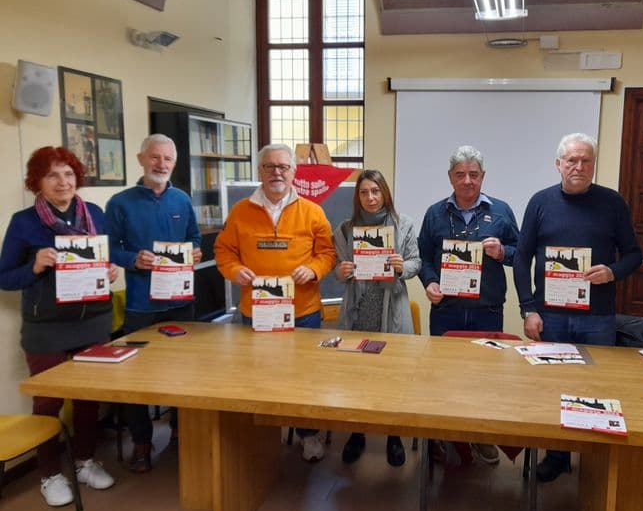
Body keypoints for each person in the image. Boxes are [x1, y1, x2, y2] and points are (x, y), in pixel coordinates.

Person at [513, 132, 642, 482]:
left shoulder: (613, 203)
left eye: (586, 161)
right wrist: (529, 309)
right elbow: (522, 257)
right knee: (554, 386)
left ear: (593, 165)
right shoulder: (540, 202)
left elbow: (634, 255)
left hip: (597, 318)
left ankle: (595, 461)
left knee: (596, 389)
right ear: (558, 164)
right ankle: (557, 455)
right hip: (550, 315)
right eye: (572, 160)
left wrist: (612, 271)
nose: (579, 167)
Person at [0, 146, 117, 507]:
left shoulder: (94, 214)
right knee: (48, 401)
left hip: (94, 322)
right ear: (38, 182)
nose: (62, 182)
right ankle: (49, 474)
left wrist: (110, 271)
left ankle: (84, 461)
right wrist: (33, 266)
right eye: (52, 175)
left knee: (87, 400)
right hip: (46, 328)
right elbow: (5, 277)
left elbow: (104, 260)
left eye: (68, 174)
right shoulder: (24, 222)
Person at [214, 143, 337, 461]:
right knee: (259, 377)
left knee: (304, 378)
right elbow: (223, 251)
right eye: (270, 166)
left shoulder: (313, 211)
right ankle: (261, 440)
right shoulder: (240, 211)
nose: (277, 172)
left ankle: (308, 435)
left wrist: (312, 269)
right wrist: (235, 270)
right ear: (260, 172)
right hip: (257, 312)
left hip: (304, 312)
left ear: (295, 172)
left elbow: (327, 253)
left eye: (283, 167)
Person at [417, 145, 519, 466]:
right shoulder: (435, 213)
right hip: (446, 310)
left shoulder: (501, 211)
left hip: (486, 310)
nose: (467, 181)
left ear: (483, 177)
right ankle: (446, 438)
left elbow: (520, 253)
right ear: (450, 177)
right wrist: (430, 282)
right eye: (460, 174)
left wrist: (502, 252)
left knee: (484, 379)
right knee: (443, 378)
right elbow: (422, 257)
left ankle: (481, 436)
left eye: (473, 174)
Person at [106, 134, 201, 473]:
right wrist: (133, 259)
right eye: (155, 157)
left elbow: (194, 237)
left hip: (180, 302)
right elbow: (109, 247)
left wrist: (196, 250)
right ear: (141, 158)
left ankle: (180, 433)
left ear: (174, 163)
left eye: (168, 159)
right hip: (140, 306)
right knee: (135, 378)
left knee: (185, 373)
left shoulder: (181, 200)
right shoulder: (120, 202)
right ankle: (142, 441)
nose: (161, 164)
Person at [332, 170, 421, 467]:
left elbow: (416, 261)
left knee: (391, 376)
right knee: (356, 376)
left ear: (384, 193)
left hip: (390, 307)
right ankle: (357, 433)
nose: (370, 198)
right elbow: (339, 267)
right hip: (358, 310)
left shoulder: (403, 224)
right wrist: (341, 272)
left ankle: (393, 436)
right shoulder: (346, 228)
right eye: (364, 192)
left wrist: (401, 266)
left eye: (375, 191)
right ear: (357, 197)